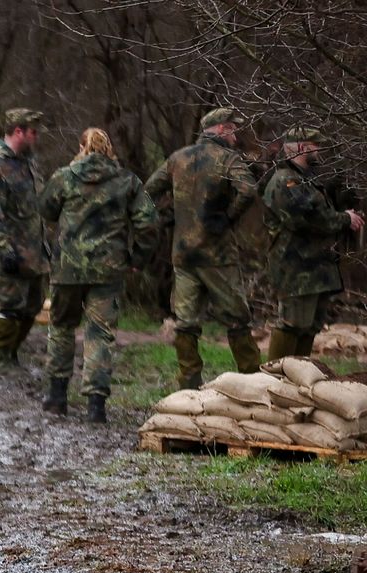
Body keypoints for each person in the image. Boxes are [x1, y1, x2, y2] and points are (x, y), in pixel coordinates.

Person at [40, 128, 159, 420]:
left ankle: (56, 397)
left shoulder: (64, 177)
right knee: (100, 334)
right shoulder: (126, 181)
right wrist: (137, 259)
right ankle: (96, 406)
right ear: (109, 148)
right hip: (108, 269)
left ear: (81, 147)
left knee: (62, 327)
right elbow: (149, 223)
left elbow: (45, 209)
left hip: (67, 268)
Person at [145, 108, 262, 389]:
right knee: (236, 319)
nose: (236, 134)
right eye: (233, 128)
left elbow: (148, 189)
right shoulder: (227, 158)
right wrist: (228, 217)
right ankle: (252, 380)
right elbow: (248, 190)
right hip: (217, 254)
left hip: (183, 253)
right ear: (221, 129)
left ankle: (188, 383)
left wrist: (166, 217)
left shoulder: (178, 157)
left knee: (185, 322)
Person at [262, 127, 363, 359]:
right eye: (316, 146)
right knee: (291, 323)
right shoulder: (285, 181)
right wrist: (344, 219)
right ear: (301, 147)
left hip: (315, 269)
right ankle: (274, 377)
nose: (320, 151)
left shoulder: (305, 180)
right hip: (295, 268)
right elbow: (305, 219)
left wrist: (343, 217)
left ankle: (296, 375)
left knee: (310, 326)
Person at [0, 109, 50, 376]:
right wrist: (4, 249)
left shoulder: (28, 162)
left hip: (33, 247)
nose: (36, 137)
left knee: (33, 303)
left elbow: (35, 205)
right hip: (9, 249)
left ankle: (11, 354)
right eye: (33, 131)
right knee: (10, 305)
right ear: (18, 131)